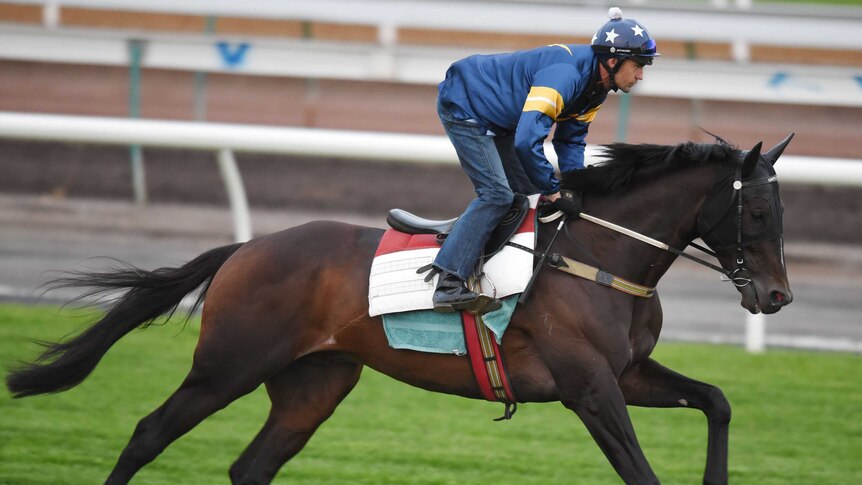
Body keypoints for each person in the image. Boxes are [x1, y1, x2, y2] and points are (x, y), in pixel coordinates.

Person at [428, 7, 660, 314]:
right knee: (498, 195)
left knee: (531, 197)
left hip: (499, 120)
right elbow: (527, 141)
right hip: (466, 105)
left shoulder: (597, 89)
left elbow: (570, 141)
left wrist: (575, 187)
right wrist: (553, 189)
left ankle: (494, 263)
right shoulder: (565, 77)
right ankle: (449, 280)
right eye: (638, 65)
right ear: (613, 60)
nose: (641, 75)